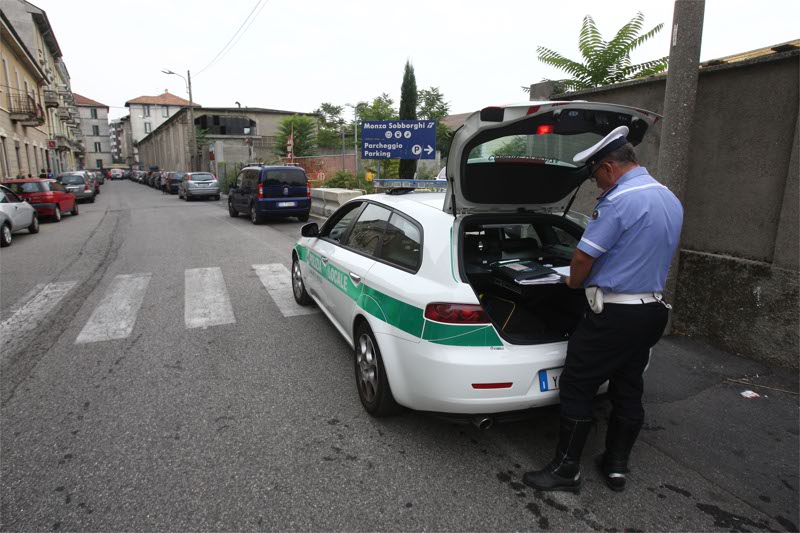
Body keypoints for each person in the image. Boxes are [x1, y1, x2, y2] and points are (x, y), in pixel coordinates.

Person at [522, 126, 684, 493]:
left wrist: (572, 284)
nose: (597, 185)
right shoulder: (668, 197)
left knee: (578, 384)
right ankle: (615, 464)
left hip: (614, 316)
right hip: (651, 311)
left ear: (609, 167)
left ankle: (566, 470)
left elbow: (582, 257)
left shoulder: (619, 200)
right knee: (628, 386)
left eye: (596, 175)